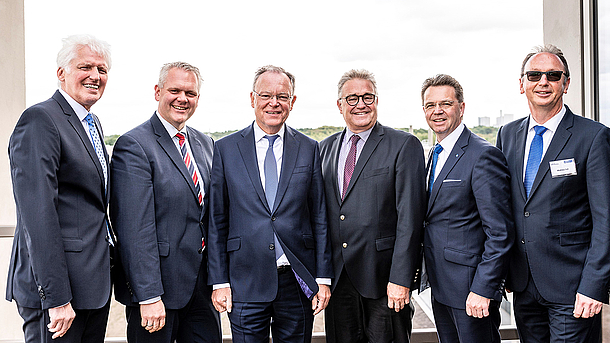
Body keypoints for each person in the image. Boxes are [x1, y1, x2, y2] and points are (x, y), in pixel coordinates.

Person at [207, 65, 333, 343]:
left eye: (282, 96)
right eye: (265, 95)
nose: (273, 103)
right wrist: (219, 281)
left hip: (297, 281)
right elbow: (217, 220)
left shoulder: (309, 147)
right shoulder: (226, 149)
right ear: (252, 99)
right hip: (244, 281)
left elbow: (320, 216)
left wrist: (323, 278)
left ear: (292, 102)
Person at [496, 44, 610, 342]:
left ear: (566, 83)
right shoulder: (507, 135)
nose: (543, 82)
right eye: (534, 75)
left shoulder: (593, 137)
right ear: (522, 85)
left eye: (553, 75)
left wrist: (594, 285)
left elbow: (606, 219)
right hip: (523, 286)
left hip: (573, 290)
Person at [6, 34, 113, 342]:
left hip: (91, 289)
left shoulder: (90, 123)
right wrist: (55, 298)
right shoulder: (40, 120)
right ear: (61, 73)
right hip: (58, 297)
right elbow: (38, 215)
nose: (95, 76)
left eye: (102, 70)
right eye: (85, 67)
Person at [110, 62, 221, 343]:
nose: (182, 98)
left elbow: (211, 215)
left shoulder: (205, 143)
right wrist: (148, 295)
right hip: (158, 292)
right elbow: (134, 229)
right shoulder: (133, 145)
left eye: (190, 93)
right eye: (175, 90)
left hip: (202, 290)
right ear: (158, 91)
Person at [319, 69, 426, 343]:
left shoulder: (404, 145)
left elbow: (410, 220)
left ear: (376, 100)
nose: (361, 105)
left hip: (384, 281)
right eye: (352, 98)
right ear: (340, 105)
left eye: (368, 97)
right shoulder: (325, 149)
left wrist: (402, 280)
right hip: (339, 281)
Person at [420, 74, 513, 343]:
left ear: (461, 107)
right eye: (430, 105)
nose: (437, 111)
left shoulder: (482, 155)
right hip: (441, 286)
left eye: (446, 104)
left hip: (471, 290)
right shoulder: (433, 154)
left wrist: (484, 289)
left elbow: (500, 232)